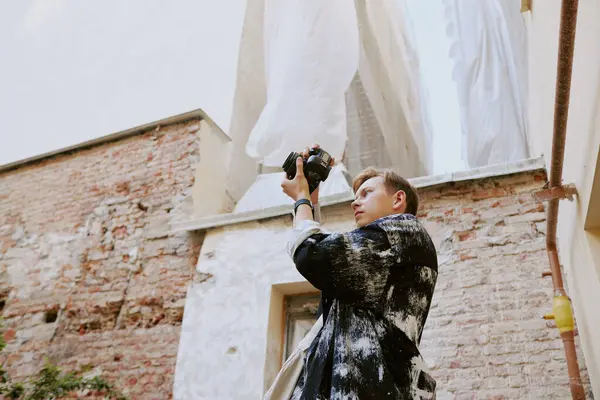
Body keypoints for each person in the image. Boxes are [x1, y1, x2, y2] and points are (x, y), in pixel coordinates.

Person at [280, 145, 438, 399]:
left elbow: (312, 255)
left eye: (366, 193)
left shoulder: (404, 232)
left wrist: (302, 199)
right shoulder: (382, 250)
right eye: (356, 195)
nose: (355, 201)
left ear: (398, 199)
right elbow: (328, 269)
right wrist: (311, 200)